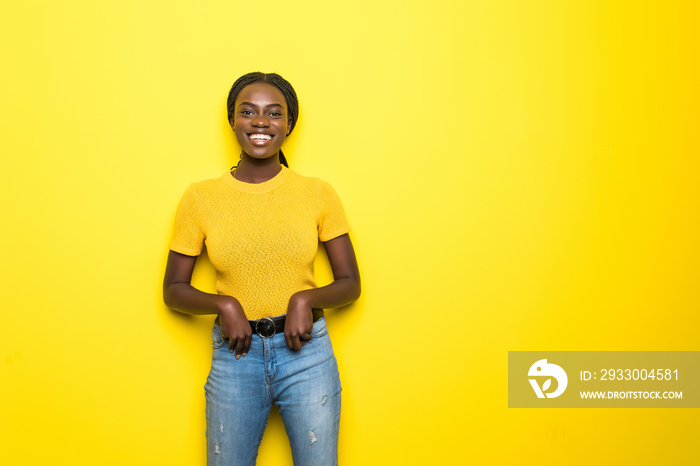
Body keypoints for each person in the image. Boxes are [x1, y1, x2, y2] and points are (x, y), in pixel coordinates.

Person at [163, 72, 360, 466]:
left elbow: (351, 283)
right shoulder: (201, 197)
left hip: (306, 355)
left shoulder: (317, 192)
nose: (260, 122)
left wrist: (306, 298)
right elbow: (173, 290)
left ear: (289, 124)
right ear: (232, 120)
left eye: (274, 113)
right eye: (247, 112)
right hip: (237, 355)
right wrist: (226, 306)